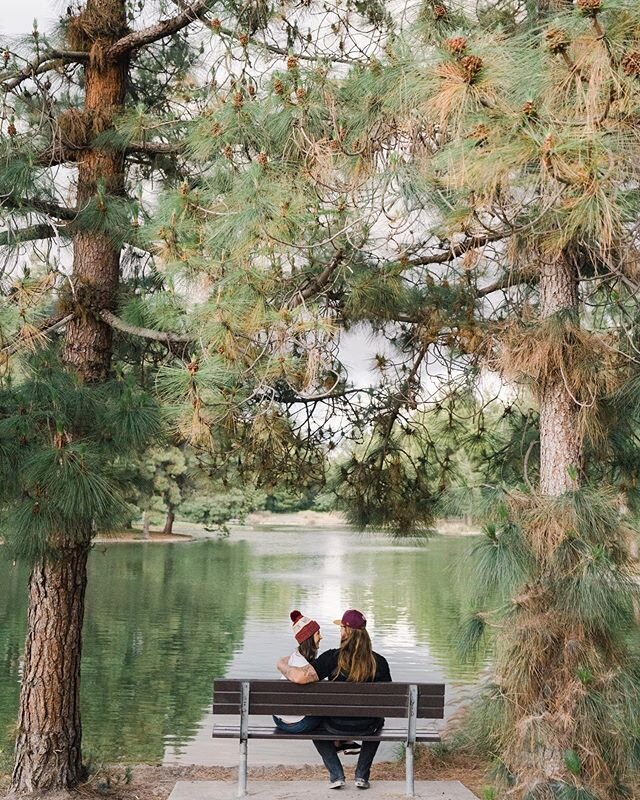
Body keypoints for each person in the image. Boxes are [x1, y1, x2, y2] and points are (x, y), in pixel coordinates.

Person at [277, 608, 391, 791]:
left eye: (341, 628)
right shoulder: (380, 662)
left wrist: (282, 665)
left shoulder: (332, 658)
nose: (340, 632)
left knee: (315, 724)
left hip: (334, 725)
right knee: (379, 722)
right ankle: (361, 775)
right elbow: (386, 703)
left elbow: (299, 677)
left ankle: (336, 774)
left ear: (346, 631)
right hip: (367, 726)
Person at [272, 610, 323, 733]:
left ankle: (340, 745)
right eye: (318, 634)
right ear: (309, 638)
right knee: (325, 717)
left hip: (278, 719)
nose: (321, 637)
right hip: (299, 723)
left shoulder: (292, 659)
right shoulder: (307, 670)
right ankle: (339, 744)